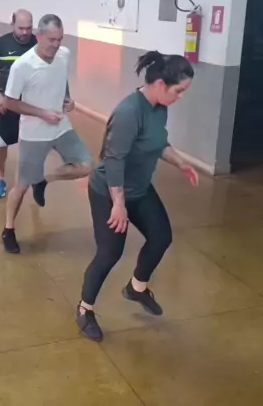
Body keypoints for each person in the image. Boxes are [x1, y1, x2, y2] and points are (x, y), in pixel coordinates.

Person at [75, 52, 199, 342]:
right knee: (109, 253)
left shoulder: (160, 107)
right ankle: (84, 309)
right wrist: (118, 205)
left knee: (161, 237)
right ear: (160, 84)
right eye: (179, 91)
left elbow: (158, 143)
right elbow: (114, 160)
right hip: (109, 190)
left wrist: (181, 163)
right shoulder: (129, 112)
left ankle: (137, 288)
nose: (181, 97)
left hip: (139, 188)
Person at [0, 14, 93, 254]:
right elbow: (10, 102)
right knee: (21, 185)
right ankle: (8, 230)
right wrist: (42, 113)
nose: (56, 44)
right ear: (39, 36)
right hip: (34, 133)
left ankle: (43, 180)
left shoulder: (64, 55)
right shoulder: (23, 66)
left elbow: (61, 79)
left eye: (60, 39)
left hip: (61, 126)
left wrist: (68, 98)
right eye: (51, 39)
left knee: (86, 165)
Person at [0, 9, 37, 198]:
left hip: (31, 105)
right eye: (21, 28)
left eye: (29, 28)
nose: (25, 32)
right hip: (6, 104)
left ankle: (30, 179)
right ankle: (0, 179)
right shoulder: (0, 44)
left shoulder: (38, 44)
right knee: (0, 144)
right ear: (12, 24)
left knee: (31, 144)